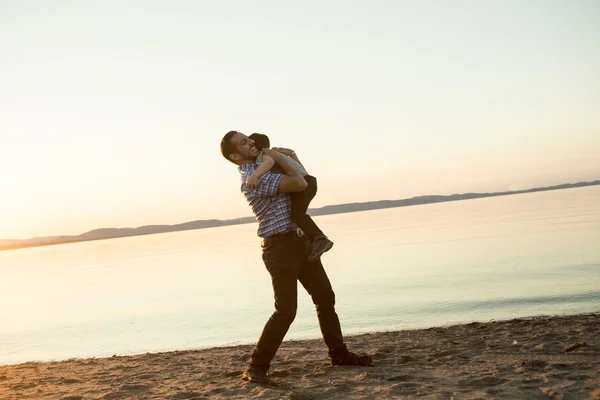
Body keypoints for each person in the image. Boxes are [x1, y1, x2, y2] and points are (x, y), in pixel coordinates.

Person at [220, 130, 372, 385]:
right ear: (235, 155)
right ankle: (256, 367)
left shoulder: (265, 168)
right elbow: (299, 185)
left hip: (301, 242)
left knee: (325, 297)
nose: (251, 143)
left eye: (249, 138)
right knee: (286, 311)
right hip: (279, 249)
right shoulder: (253, 178)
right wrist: (275, 159)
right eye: (244, 142)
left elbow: (302, 176)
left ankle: (339, 355)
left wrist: (284, 157)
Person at [245, 132, 333, 261]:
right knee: (298, 213)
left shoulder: (264, 156)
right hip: (309, 180)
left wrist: (254, 175)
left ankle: (320, 239)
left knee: (297, 214)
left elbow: (268, 163)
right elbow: (291, 152)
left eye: (251, 144)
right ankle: (313, 239)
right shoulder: (275, 153)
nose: (249, 146)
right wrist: (284, 151)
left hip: (305, 183)